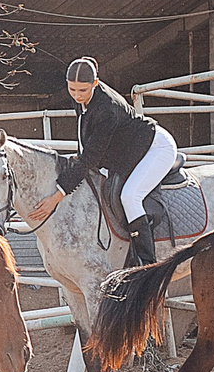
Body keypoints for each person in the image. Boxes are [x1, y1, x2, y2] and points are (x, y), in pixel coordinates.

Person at [22, 57, 182, 265]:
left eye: (83, 90)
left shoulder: (107, 109)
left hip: (156, 147)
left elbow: (90, 157)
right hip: (130, 149)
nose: (77, 96)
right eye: (72, 90)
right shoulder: (82, 97)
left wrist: (56, 196)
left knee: (130, 196)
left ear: (95, 83)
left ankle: (146, 263)